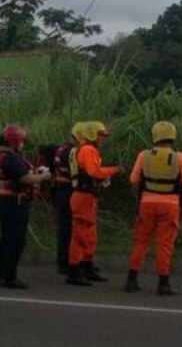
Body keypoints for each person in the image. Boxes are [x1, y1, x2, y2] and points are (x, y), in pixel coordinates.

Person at [125, 121, 182, 296]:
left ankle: (132, 280)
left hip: (146, 204)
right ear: (173, 136)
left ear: (155, 136)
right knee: (165, 244)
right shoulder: (180, 157)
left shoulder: (144, 155)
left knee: (141, 241)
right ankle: (163, 283)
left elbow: (133, 180)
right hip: (170, 205)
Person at [0, 124, 51, 289]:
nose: (23, 144)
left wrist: (35, 172)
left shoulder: (2, 156)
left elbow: (21, 174)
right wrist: (43, 176)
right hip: (14, 203)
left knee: (6, 238)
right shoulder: (10, 158)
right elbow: (25, 179)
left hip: (6, 202)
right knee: (16, 240)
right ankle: (9, 277)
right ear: (14, 142)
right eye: (22, 141)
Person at [66, 121, 123, 287]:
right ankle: (75, 270)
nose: (102, 139)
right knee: (80, 235)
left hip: (87, 196)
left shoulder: (85, 150)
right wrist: (114, 170)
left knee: (89, 235)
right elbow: (94, 172)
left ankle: (86, 266)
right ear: (91, 134)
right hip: (83, 197)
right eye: (100, 135)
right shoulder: (88, 150)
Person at [45, 123, 83, 276]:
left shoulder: (63, 148)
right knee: (67, 229)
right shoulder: (72, 152)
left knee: (65, 228)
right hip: (67, 191)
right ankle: (65, 263)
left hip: (60, 191)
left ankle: (66, 261)